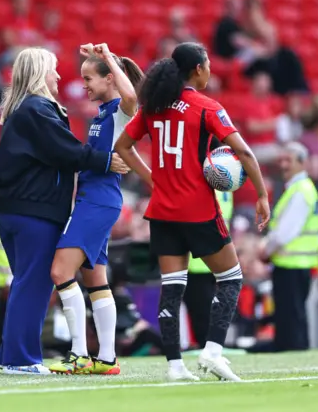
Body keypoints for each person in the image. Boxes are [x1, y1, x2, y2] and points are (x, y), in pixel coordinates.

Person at [114, 42, 270, 382]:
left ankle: (174, 367)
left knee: (172, 287)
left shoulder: (153, 107)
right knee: (230, 278)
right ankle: (213, 352)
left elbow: (122, 146)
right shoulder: (206, 107)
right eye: (209, 64)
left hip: (162, 212)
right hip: (198, 210)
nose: (211, 70)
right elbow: (243, 152)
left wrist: (152, 179)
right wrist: (261, 194)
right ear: (198, 69)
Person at [0, 47, 121, 375]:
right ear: (38, 74)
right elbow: (64, 150)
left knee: (26, 281)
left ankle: (9, 355)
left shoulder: (25, 109)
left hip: (17, 208)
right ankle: (21, 358)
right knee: (34, 283)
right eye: (53, 70)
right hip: (34, 210)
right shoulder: (37, 108)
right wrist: (104, 160)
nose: (58, 76)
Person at [48, 43, 143, 375]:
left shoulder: (120, 109)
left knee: (60, 272)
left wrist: (107, 58)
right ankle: (106, 359)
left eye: (89, 78)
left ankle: (79, 354)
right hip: (94, 200)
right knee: (96, 279)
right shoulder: (103, 114)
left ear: (110, 80)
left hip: (99, 202)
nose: (84, 85)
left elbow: (132, 98)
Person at [260, 142, 318, 352]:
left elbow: (284, 233)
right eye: (282, 160)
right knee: (293, 315)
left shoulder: (300, 190)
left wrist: (265, 251)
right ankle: (295, 349)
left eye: (289, 160)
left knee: (291, 316)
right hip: (294, 263)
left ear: (302, 163)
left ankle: (293, 350)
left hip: (292, 264)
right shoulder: (298, 188)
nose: (284, 165)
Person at [185, 190, 233, 349]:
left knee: (201, 311)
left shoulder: (204, 180)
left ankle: (206, 347)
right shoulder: (224, 180)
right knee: (209, 309)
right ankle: (211, 345)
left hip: (198, 259)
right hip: (217, 254)